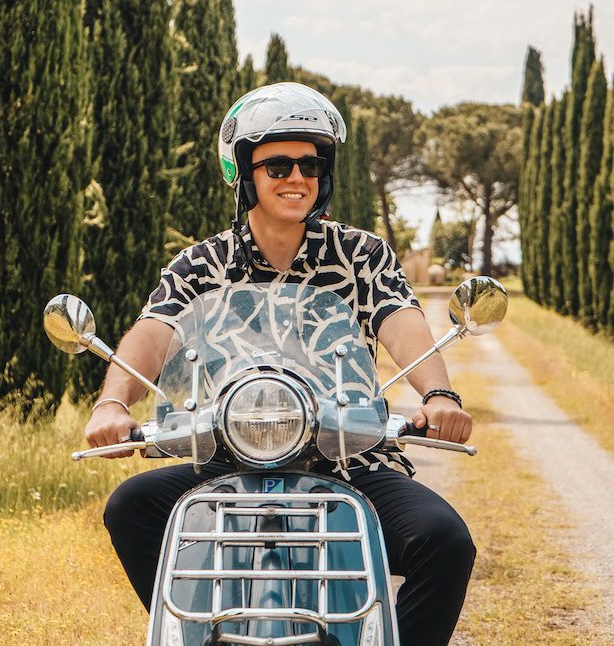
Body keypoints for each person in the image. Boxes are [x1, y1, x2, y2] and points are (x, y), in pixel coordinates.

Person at [87, 82, 475, 646]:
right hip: (226, 465)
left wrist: (440, 396)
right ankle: (202, 631)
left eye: (311, 164)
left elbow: (401, 319)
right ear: (245, 173)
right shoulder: (201, 265)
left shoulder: (361, 254)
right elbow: (154, 330)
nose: (297, 177)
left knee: (445, 541)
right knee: (131, 507)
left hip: (350, 465)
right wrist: (113, 402)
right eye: (279, 165)